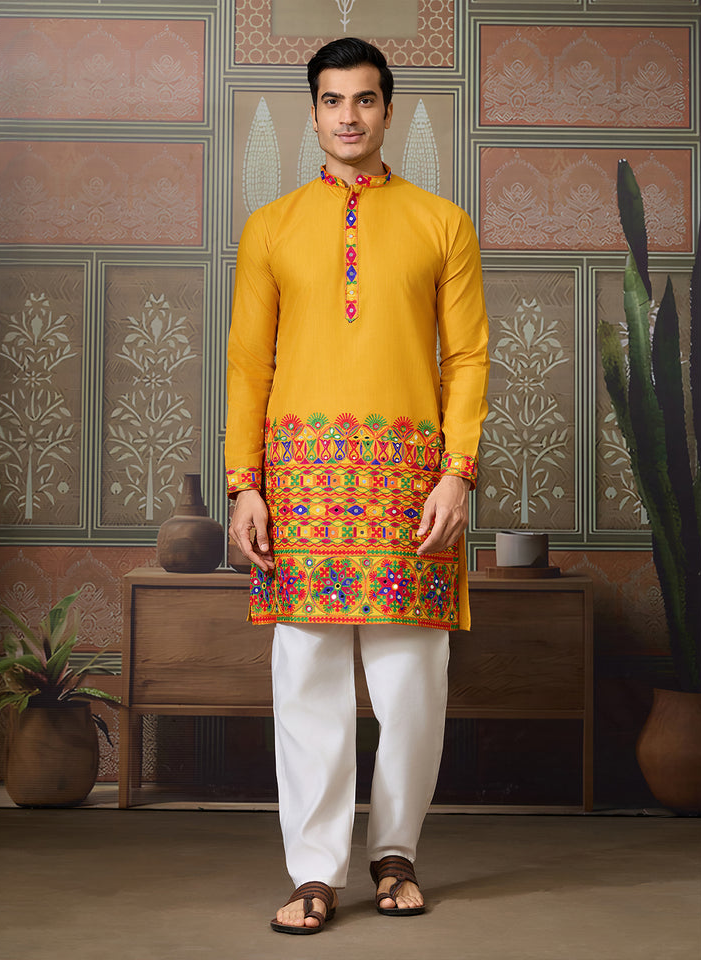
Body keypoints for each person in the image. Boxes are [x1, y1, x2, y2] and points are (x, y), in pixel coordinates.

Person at [225, 37, 489, 934]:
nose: (349, 115)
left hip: (410, 487)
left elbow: (469, 360)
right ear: (312, 112)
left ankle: (397, 854)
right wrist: (242, 484)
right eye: (333, 100)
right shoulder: (270, 226)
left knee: (412, 678)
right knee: (305, 677)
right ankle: (312, 872)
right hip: (298, 487)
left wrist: (458, 473)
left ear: (389, 109)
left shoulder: (442, 223)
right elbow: (243, 367)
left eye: (366, 100)